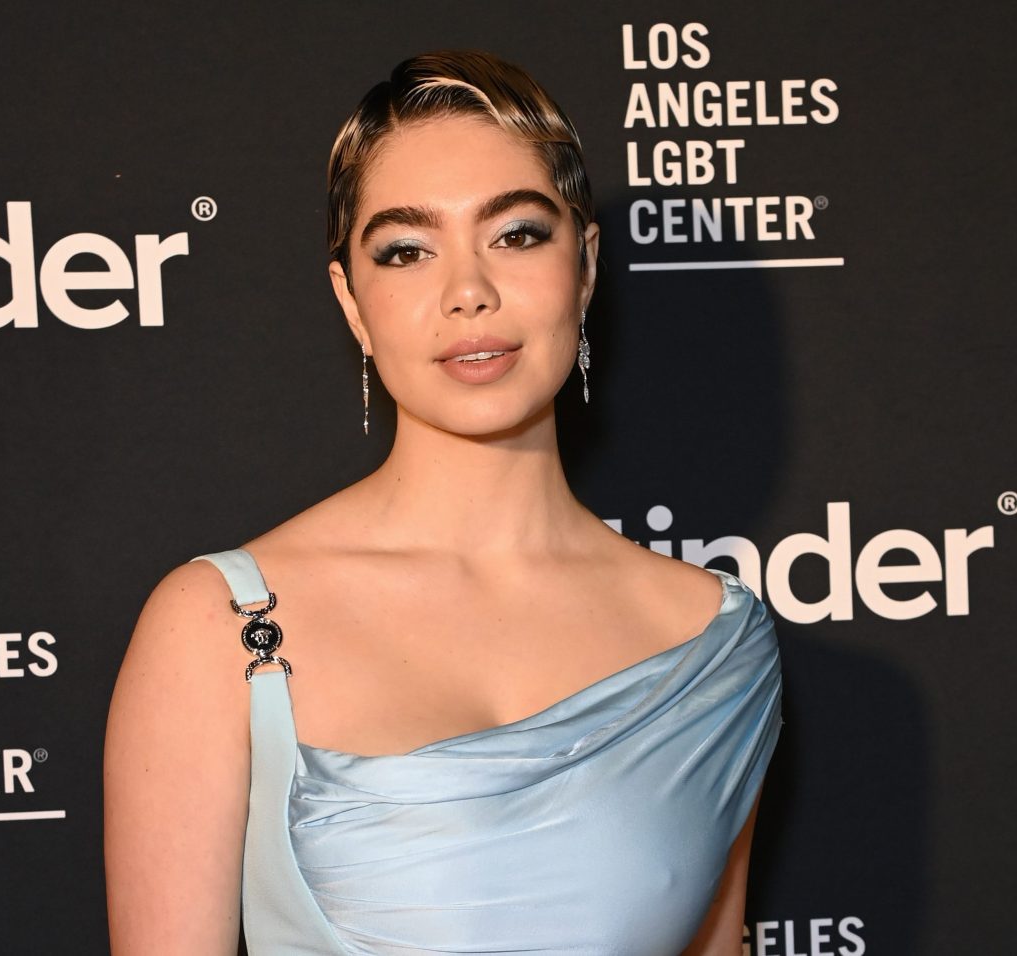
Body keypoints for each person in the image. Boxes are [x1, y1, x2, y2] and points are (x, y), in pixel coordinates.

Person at [104, 50, 782, 955]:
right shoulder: (219, 623)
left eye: (516, 235)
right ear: (353, 301)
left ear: (584, 267)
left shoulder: (713, 642)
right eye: (406, 250)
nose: (468, 291)